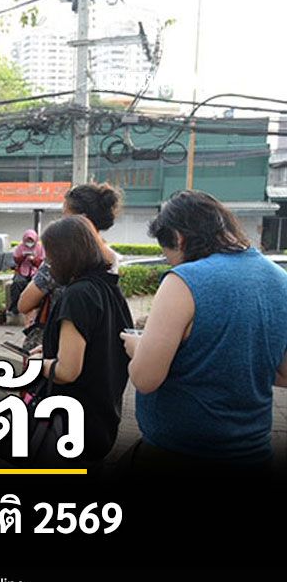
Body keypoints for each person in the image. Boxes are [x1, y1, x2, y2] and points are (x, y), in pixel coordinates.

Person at [121, 191, 287, 469]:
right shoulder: (280, 280)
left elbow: (145, 378)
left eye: (170, 256)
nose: (173, 264)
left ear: (179, 238)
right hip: (253, 454)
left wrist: (138, 348)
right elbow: (283, 373)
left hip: (180, 455)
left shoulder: (183, 280)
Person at [33, 215, 133, 466]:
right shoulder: (110, 288)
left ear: (66, 255)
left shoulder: (78, 295)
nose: (49, 264)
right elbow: (101, 343)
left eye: (51, 257)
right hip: (103, 415)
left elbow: (67, 371)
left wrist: (37, 365)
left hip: (71, 424)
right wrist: (52, 347)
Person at [18, 183, 123, 317]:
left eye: (65, 215)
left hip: (64, 327)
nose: (62, 221)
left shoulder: (63, 257)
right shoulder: (112, 257)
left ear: (81, 219)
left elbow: (24, 304)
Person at [9, 229, 43, 315]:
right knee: (17, 283)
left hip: (35, 272)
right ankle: (15, 308)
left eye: (31, 240)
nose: (29, 243)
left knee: (37, 285)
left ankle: (36, 308)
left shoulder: (40, 247)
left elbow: (41, 262)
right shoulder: (20, 247)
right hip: (22, 271)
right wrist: (23, 256)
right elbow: (16, 260)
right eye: (28, 240)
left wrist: (33, 260)